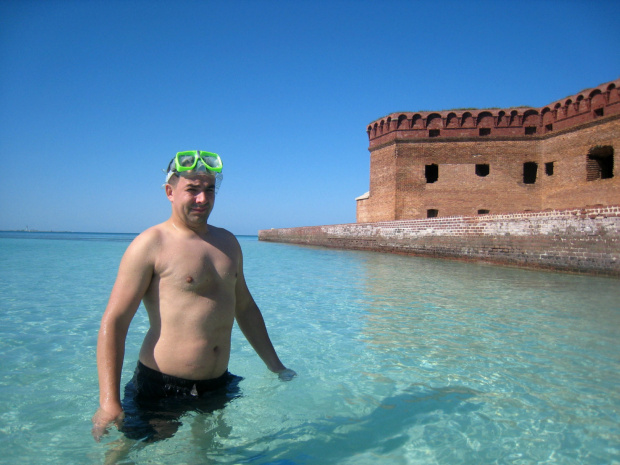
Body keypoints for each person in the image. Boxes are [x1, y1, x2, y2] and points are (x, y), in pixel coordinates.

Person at [92, 150, 295, 442]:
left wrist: (276, 366)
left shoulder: (228, 243)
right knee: (128, 454)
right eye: (192, 190)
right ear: (169, 192)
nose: (202, 199)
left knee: (207, 453)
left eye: (209, 190)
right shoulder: (151, 243)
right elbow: (115, 322)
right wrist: (109, 401)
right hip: (161, 387)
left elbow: (246, 308)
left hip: (217, 383)